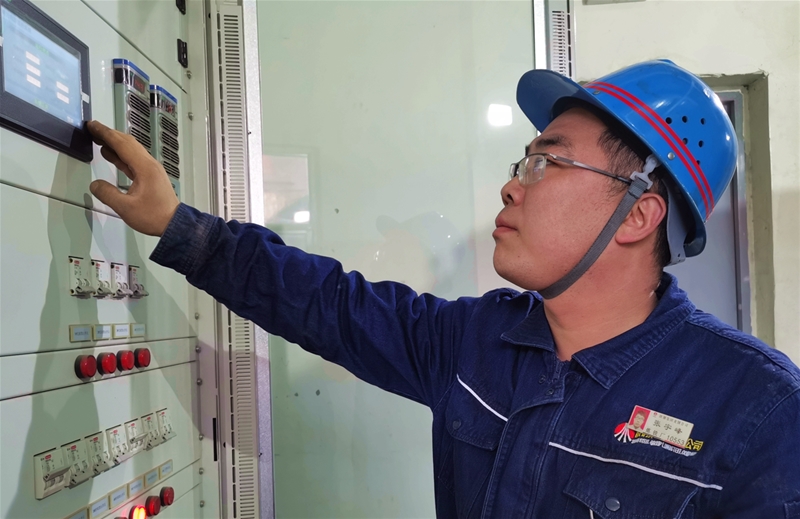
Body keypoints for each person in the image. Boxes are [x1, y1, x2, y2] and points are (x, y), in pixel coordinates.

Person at [87, 60, 800, 518]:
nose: (512, 186)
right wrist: (180, 227)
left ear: (639, 214)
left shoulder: (757, 408)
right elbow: (328, 303)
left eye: (546, 164)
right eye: (523, 162)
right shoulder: (477, 342)